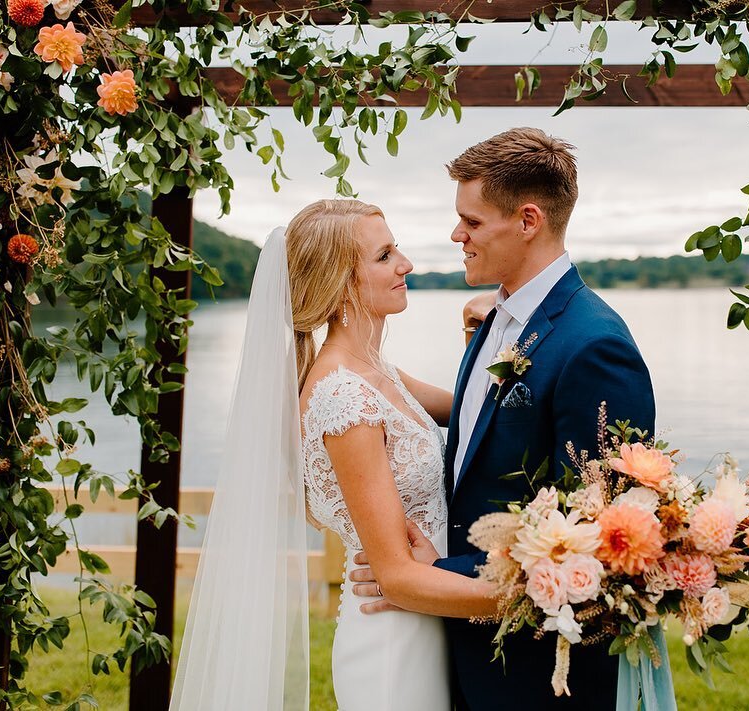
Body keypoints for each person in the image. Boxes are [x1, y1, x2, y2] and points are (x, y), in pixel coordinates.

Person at [350, 128, 677, 710]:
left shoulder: (594, 347)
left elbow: (599, 550)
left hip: (543, 676)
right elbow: (480, 436)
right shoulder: (498, 320)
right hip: (474, 655)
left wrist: (436, 572)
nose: (456, 234)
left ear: (528, 221)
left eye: (471, 222)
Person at [169, 199, 495, 711]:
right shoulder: (344, 397)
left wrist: (487, 333)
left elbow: (477, 414)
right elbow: (396, 577)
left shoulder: (378, 370)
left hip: (431, 617)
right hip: (393, 644)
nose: (406, 265)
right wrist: (530, 597)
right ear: (343, 283)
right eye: (386, 256)